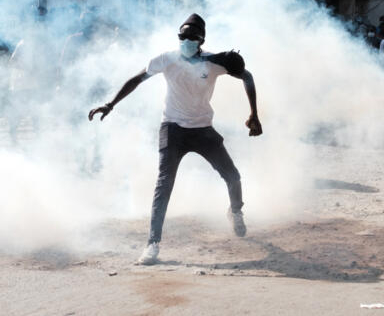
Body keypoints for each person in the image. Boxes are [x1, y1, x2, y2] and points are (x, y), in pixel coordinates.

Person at [88, 14, 262, 266]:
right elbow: (137, 79)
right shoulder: (166, 59)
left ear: (201, 40)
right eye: (183, 36)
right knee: (164, 184)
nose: (187, 41)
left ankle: (235, 211)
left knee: (233, 176)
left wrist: (254, 113)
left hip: (203, 130)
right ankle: (152, 244)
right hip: (173, 129)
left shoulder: (214, 62)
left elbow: (246, 75)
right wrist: (110, 104)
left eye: (193, 37)